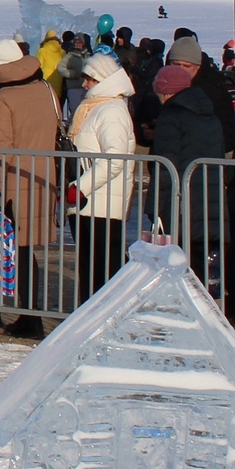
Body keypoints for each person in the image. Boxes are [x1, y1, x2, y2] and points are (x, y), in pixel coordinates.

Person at [0, 37, 63, 336]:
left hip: (14, 181)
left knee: (18, 251)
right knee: (28, 249)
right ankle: (31, 313)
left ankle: (29, 316)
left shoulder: (2, 98)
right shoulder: (44, 89)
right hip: (44, 177)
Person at [152, 52, 235, 292]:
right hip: (208, 199)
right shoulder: (208, 115)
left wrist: (155, 207)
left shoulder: (172, 116)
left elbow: (165, 162)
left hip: (181, 202)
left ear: (166, 92)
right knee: (200, 266)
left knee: (177, 267)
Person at [67, 52, 139, 307]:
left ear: (102, 79)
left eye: (90, 79)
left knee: (103, 268)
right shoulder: (96, 108)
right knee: (92, 267)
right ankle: (92, 315)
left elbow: (115, 159)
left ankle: (102, 317)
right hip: (91, 202)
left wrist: (80, 187)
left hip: (102, 204)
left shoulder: (111, 110)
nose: (84, 84)